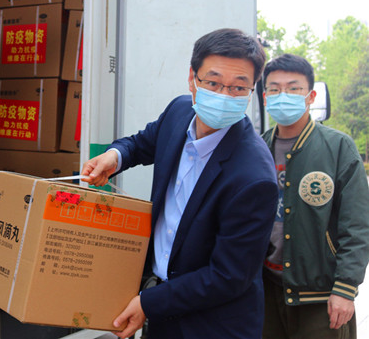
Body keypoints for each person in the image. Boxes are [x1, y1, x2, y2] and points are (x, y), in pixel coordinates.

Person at [81, 28, 279, 339]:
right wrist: (114, 156)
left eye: (238, 88)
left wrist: (149, 302)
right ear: (192, 78)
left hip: (214, 325)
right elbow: (142, 143)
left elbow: (227, 276)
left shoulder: (254, 178)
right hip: (162, 309)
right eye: (213, 83)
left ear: (252, 91)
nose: (224, 95)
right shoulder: (179, 112)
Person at [261, 54, 369, 339]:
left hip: (321, 296)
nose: (283, 96)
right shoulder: (258, 147)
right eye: (275, 89)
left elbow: (357, 225)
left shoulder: (338, 147)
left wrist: (345, 288)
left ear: (310, 96)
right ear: (265, 97)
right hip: (266, 290)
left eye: (293, 88)